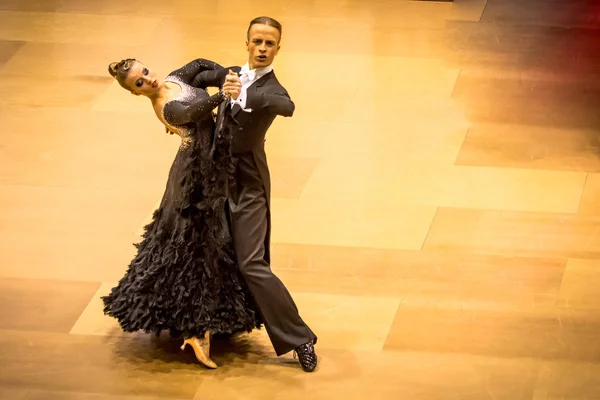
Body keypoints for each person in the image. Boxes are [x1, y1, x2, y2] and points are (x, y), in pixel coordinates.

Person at [101, 57, 263, 369]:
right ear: (136, 93)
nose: (148, 80)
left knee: (214, 246)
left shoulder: (176, 78)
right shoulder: (167, 108)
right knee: (195, 249)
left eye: (145, 72)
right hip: (194, 179)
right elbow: (195, 111)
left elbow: (201, 65)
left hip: (211, 169)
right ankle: (196, 328)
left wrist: (226, 74)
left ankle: (206, 322)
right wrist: (225, 91)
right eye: (139, 83)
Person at [190, 16, 318, 372]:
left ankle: (300, 337)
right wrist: (168, 93)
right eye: (257, 41)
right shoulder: (229, 74)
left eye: (270, 44)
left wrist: (241, 94)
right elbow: (196, 75)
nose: (262, 48)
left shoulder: (272, 89)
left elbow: (285, 106)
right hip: (213, 182)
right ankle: (209, 327)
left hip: (248, 185)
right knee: (204, 252)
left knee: (251, 262)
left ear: (278, 49)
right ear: (247, 43)